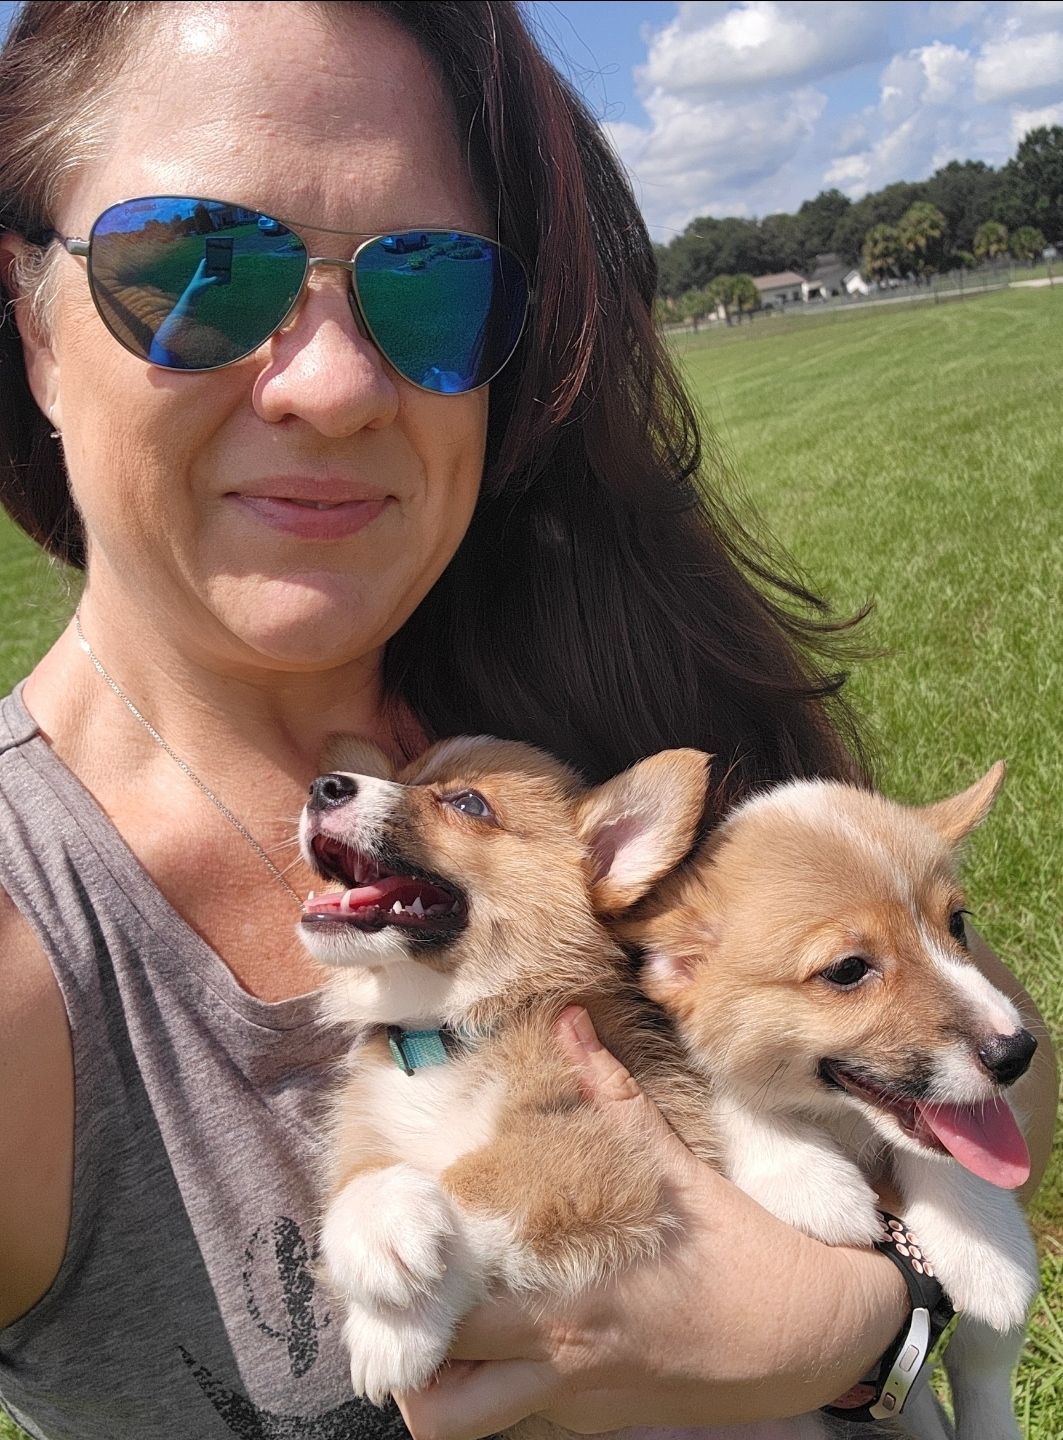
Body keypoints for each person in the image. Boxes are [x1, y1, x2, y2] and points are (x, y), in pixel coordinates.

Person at [0, 4, 1054, 1439]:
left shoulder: (609, 670)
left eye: (431, 287)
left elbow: (997, 1076)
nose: (335, 382)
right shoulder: (33, 941)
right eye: (199, 267)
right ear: (34, 324)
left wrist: (861, 1324)